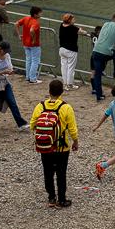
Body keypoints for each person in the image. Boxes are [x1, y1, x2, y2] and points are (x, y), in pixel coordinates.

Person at [30, 79, 79, 208]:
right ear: (62, 92)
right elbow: (72, 129)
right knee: (61, 173)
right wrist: (75, 141)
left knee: (48, 171)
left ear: (49, 91)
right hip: (62, 146)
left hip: (45, 145)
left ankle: (51, 197)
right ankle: (62, 200)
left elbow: (32, 125)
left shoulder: (40, 106)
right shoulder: (66, 107)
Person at [91, 14, 115, 102]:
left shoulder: (106, 24)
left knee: (97, 75)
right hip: (105, 53)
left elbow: (109, 35)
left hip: (95, 52)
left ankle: (99, 95)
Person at [58, 13, 88, 91]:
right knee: (71, 67)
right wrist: (81, 30)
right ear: (70, 20)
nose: (74, 20)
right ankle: (70, 84)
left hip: (62, 49)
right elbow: (84, 32)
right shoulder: (73, 28)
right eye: (73, 19)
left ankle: (65, 84)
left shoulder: (61, 25)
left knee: (64, 67)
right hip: (71, 50)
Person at [16, 6, 43, 84]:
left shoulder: (26, 18)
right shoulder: (35, 22)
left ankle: (28, 77)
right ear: (35, 14)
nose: (41, 14)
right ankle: (33, 78)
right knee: (35, 61)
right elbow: (32, 30)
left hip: (25, 43)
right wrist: (34, 39)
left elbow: (16, 23)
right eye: (39, 13)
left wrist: (19, 34)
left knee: (28, 60)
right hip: (34, 45)